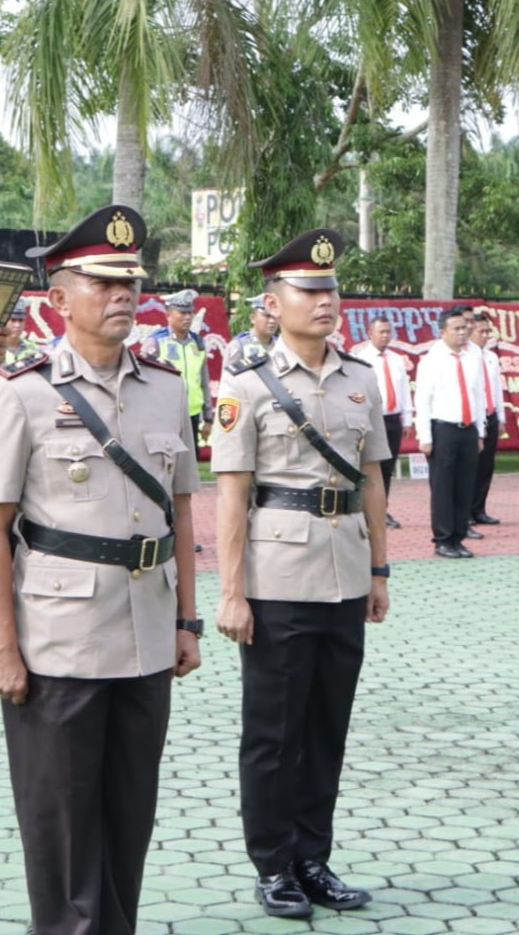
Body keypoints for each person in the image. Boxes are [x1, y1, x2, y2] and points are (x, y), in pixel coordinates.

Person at [0, 204, 202, 935]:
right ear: (59, 299)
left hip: (145, 634)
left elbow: (183, 514)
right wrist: (2, 648)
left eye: (130, 281)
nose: (123, 294)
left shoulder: (166, 386)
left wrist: (187, 622)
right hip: (58, 642)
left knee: (129, 815)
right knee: (63, 828)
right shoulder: (22, 392)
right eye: (102, 281)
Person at [212, 228, 390, 920]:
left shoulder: (361, 379)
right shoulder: (246, 386)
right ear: (273, 301)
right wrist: (231, 593)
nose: (325, 301)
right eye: (309, 291)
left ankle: (313, 857)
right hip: (277, 577)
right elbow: (231, 494)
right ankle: (273, 863)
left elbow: (372, 478)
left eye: (331, 289)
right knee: (273, 732)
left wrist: (379, 569)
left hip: (345, 571)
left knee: (326, 726)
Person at [415, 308, 486, 558]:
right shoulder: (432, 360)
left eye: (465, 327)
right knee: (444, 487)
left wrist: (480, 431)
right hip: (443, 428)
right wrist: (425, 436)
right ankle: (443, 539)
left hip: (468, 428)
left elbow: (478, 394)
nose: (463, 332)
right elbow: (423, 399)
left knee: (465, 486)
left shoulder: (473, 355)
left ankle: (459, 536)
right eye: (456, 328)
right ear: (442, 332)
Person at [352, 317, 412, 529]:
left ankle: (381, 509)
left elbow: (404, 391)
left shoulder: (397, 360)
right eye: (381, 332)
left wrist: (407, 419)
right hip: (371, 420)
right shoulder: (360, 359)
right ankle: (363, 510)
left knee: (387, 468)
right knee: (369, 467)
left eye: (388, 331)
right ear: (370, 333)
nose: (386, 335)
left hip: (393, 420)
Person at [141, 288, 214, 455]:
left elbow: (204, 381)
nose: (188, 317)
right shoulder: (156, 342)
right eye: (182, 313)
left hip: (193, 415)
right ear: (168, 314)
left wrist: (208, 418)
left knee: (190, 465)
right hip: (165, 415)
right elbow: (145, 382)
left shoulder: (198, 342)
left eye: (190, 313)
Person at [470, 312, 504, 526]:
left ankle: (480, 508)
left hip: (491, 415)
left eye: (487, 331)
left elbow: (497, 389)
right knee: (472, 466)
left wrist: (500, 417)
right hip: (474, 417)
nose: (485, 335)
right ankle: (467, 511)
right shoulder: (468, 356)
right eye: (480, 331)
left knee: (486, 466)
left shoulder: (491, 357)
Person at [225, 294, 279, 364]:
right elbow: (228, 373)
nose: (272, 321)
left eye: (274, 316)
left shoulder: (281, 343)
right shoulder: (239, 345)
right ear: (253, 318)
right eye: (267, 315)